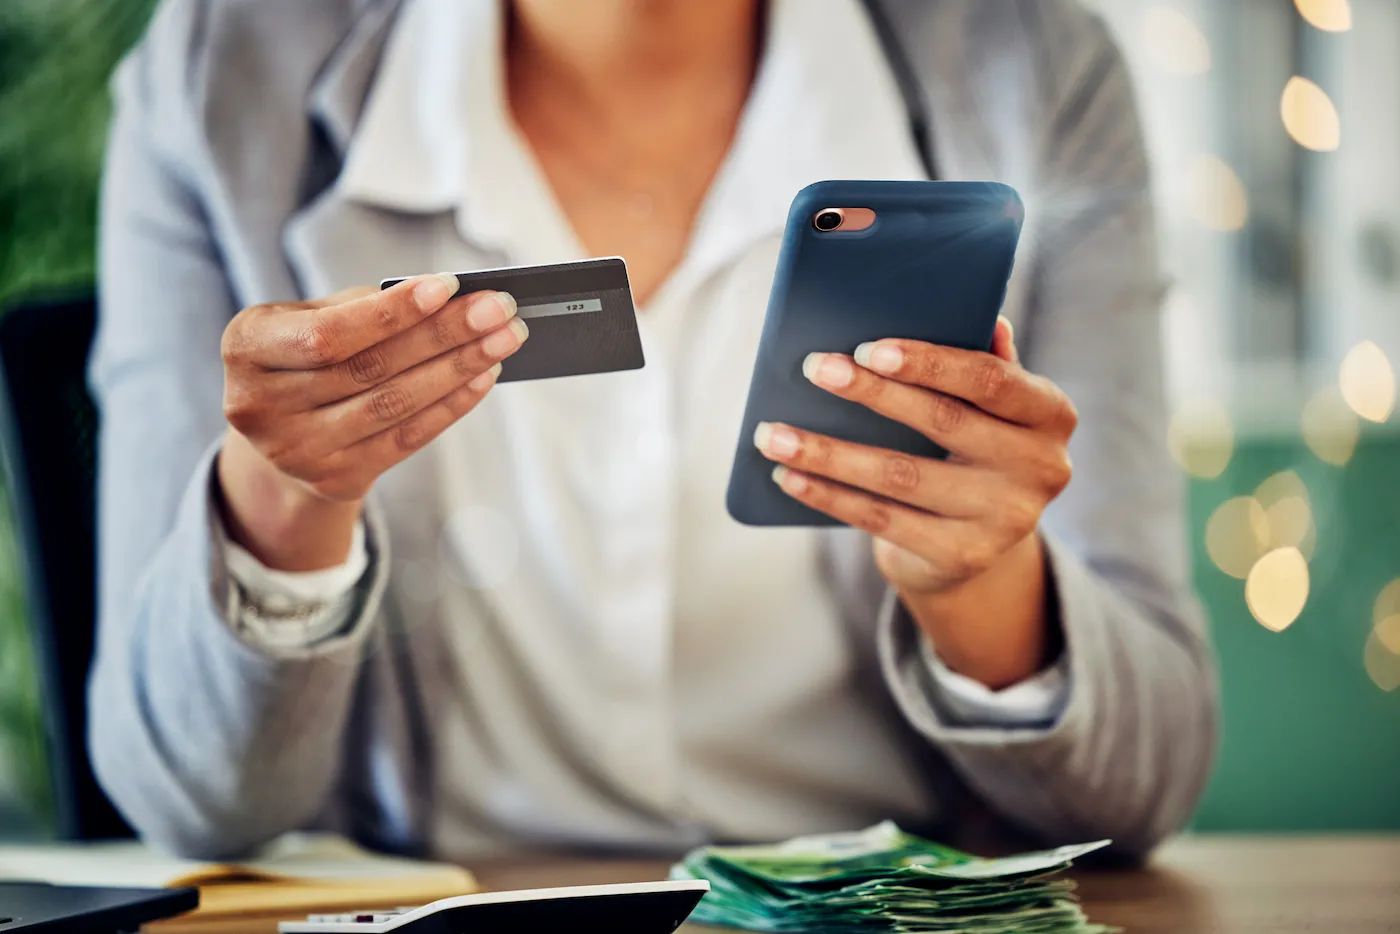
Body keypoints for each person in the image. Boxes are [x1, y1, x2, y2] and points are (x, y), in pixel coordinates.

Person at [88, 0, 1217, 862]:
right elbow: (189, 796)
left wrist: (980, 586)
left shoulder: (1033, 69)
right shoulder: (215, 74)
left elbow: (1142, 787)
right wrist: (283, 503)